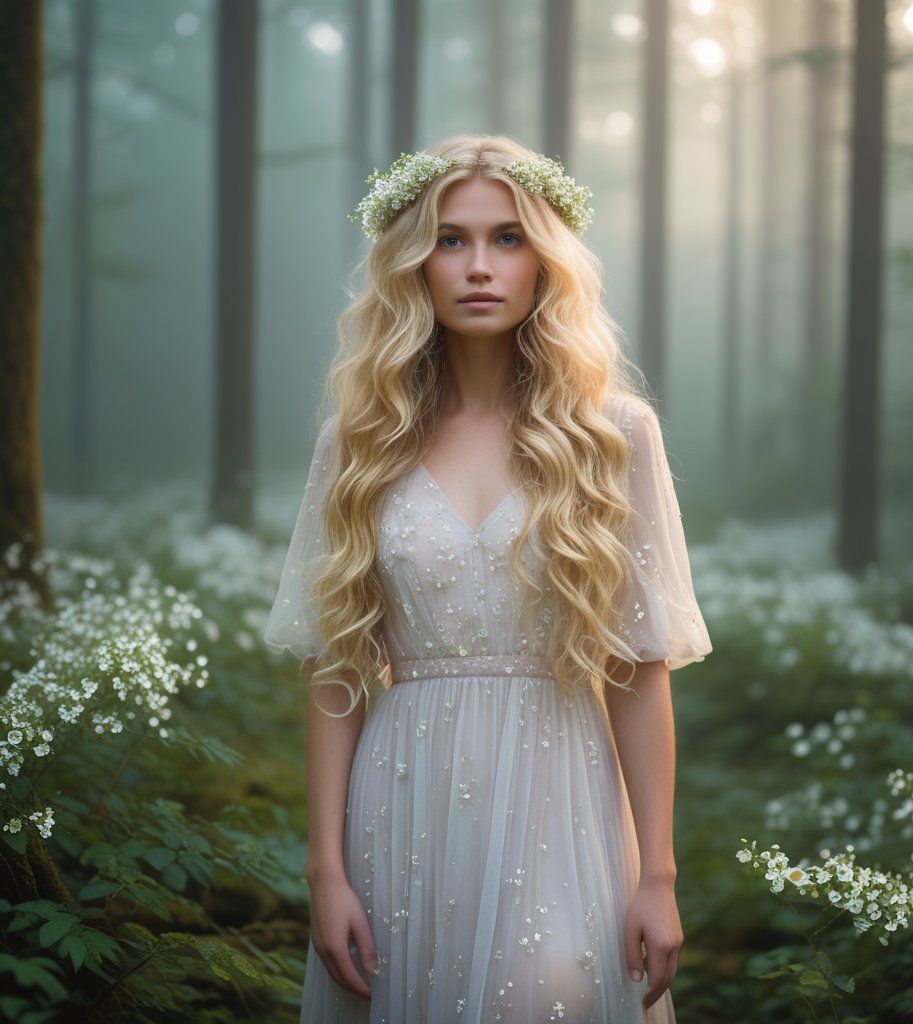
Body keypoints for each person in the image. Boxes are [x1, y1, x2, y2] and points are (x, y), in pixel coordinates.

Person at [264, 133, 713, 1024]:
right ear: (411, 263)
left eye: (508, 238)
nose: (479, 265)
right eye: (450, 239)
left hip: (562, 792)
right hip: (401, 797)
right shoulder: (358, 444)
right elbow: (337, 670)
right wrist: (326, 873)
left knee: (545, 993)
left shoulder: (614, 436)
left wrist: (657, 876)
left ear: (546, 260)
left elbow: (639, 664)